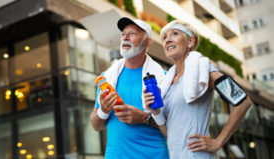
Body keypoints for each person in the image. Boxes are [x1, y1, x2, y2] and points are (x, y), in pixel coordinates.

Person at [144, 20, 252, 159]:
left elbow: (243, 102)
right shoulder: (167, 84)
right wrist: (156, 112)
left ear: (190, 41)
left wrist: (217, 142)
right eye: (164, 37)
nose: (168, 40)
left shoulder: (202, 70)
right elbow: (170, 135)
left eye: (175, 34)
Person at [90, 17, 169, 159]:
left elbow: (174, 128)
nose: (125, 37)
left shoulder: (164, 79)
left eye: (132, 34)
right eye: (123, 34)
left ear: (147, 43)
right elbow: (96, 125)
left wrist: (144, 118)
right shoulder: (107, 78)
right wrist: (103, 110)